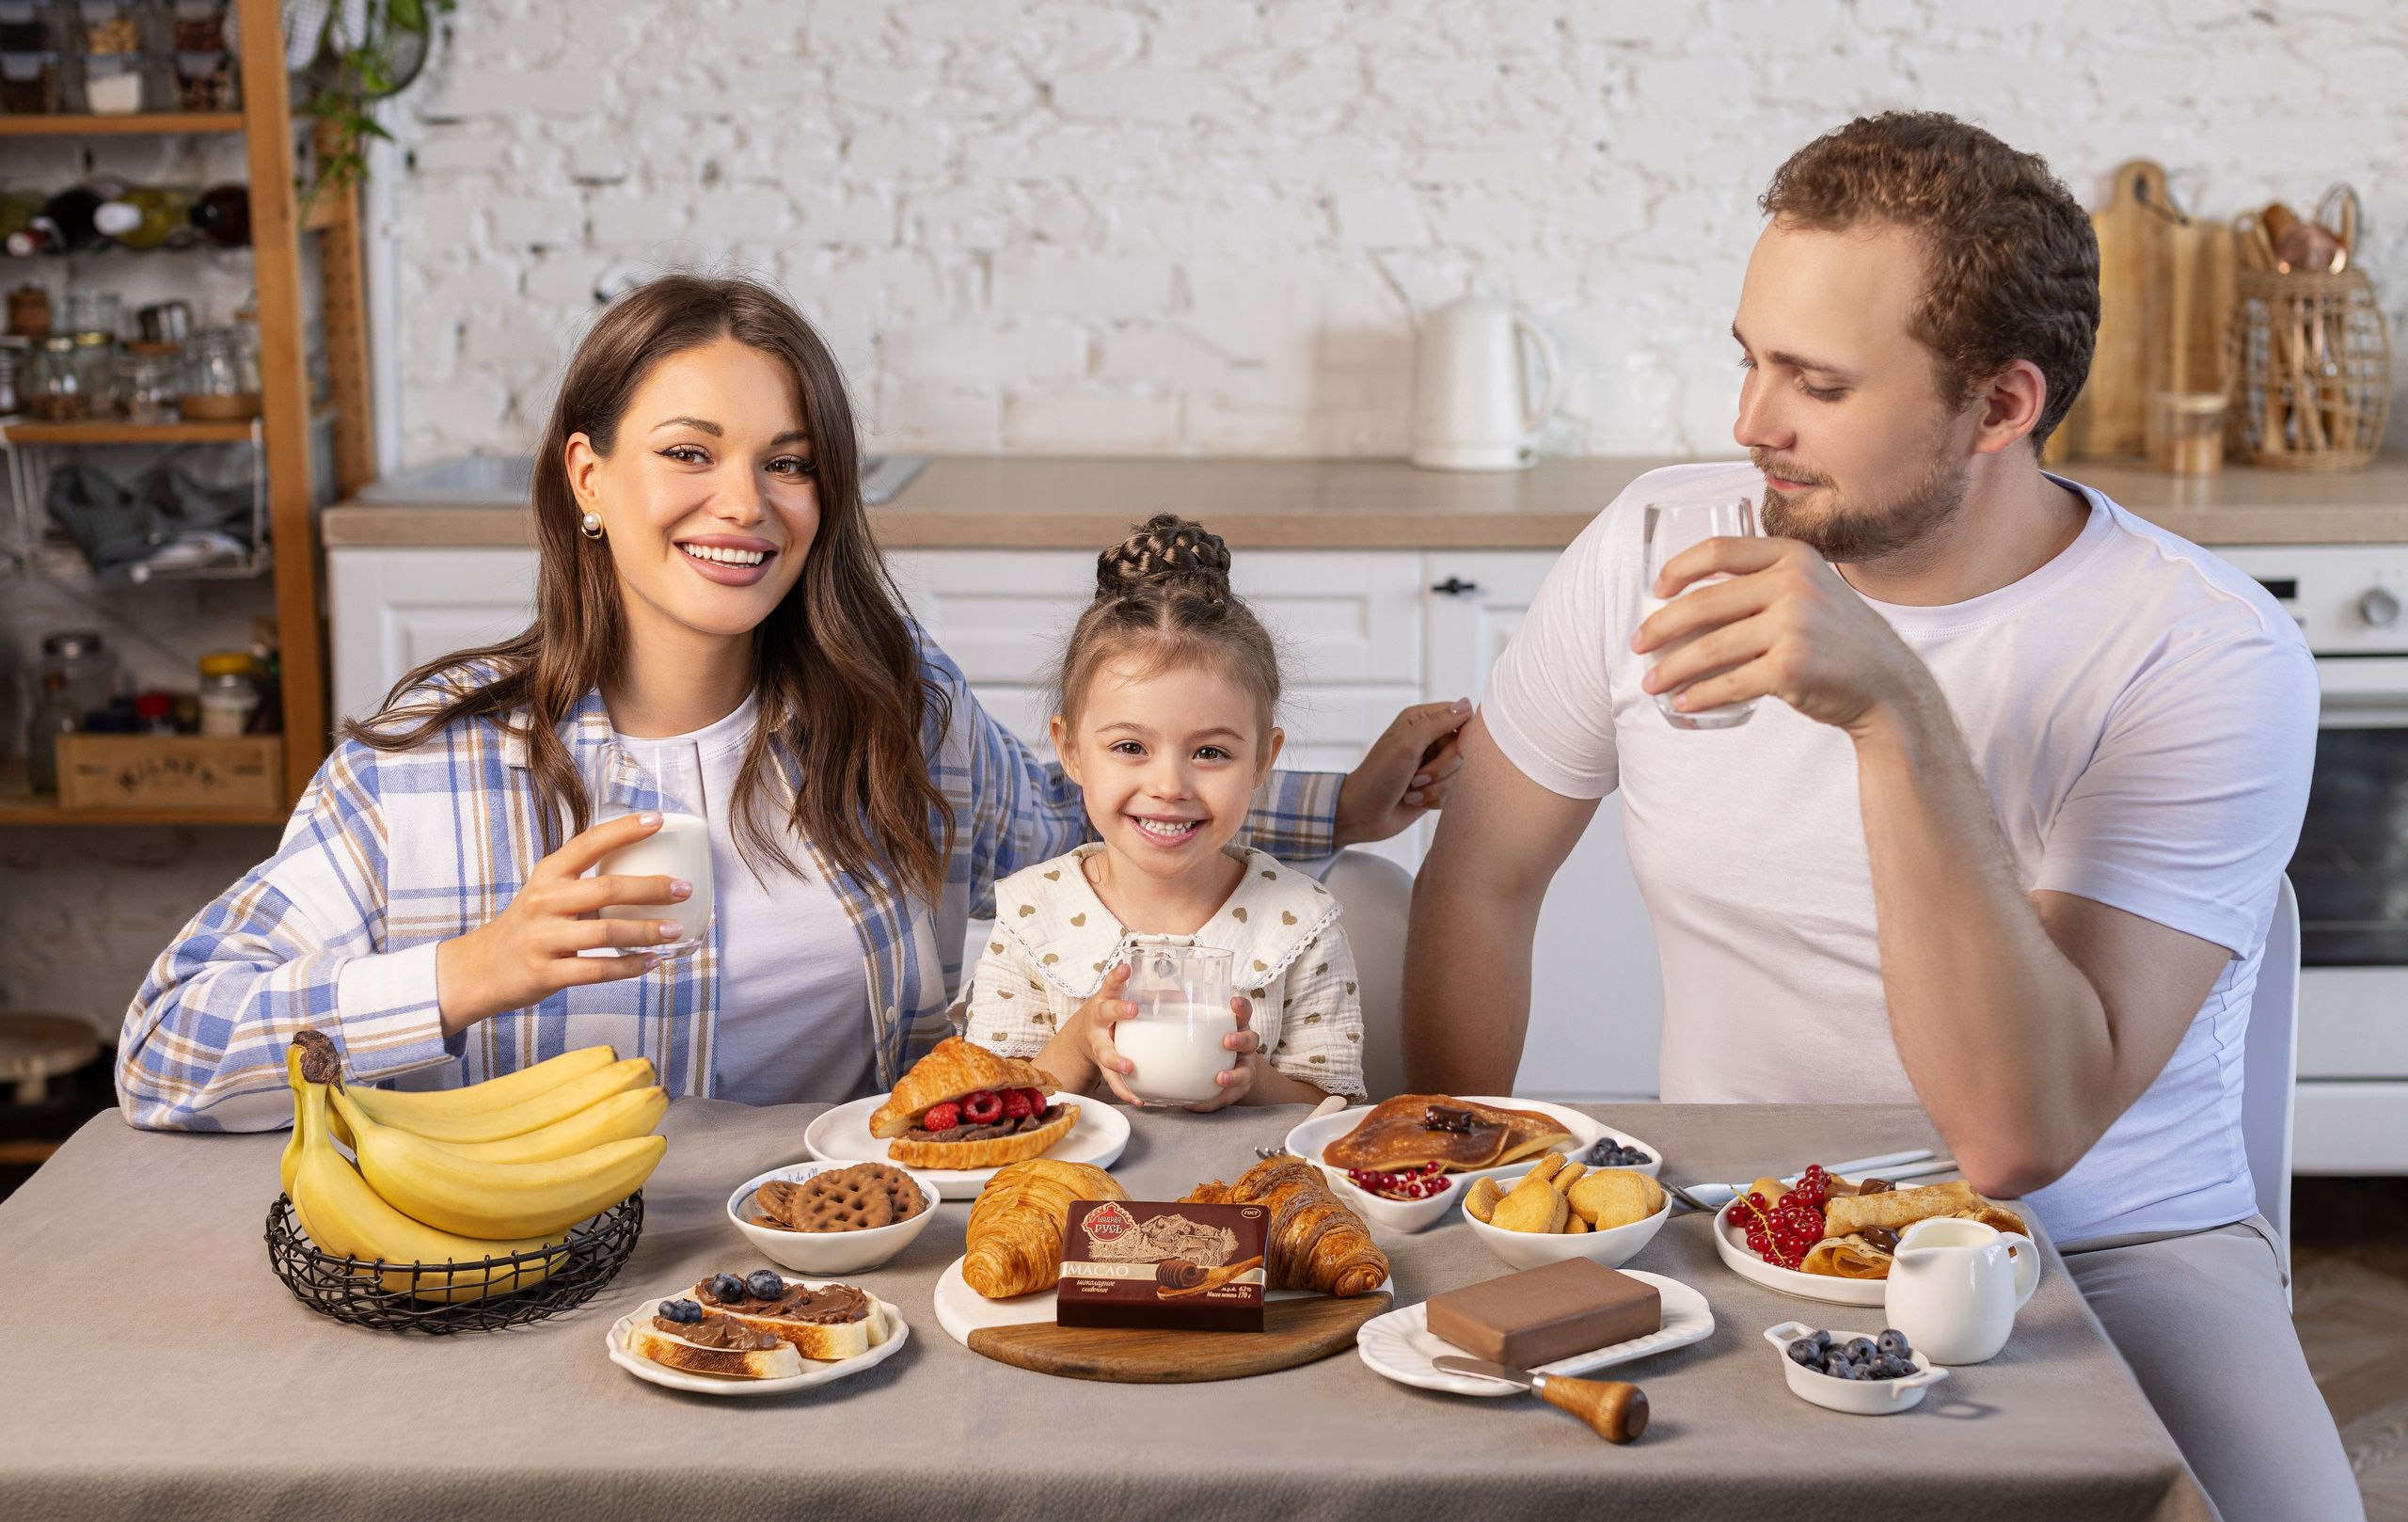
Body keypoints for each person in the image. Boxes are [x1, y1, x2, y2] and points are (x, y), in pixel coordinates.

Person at [1403, 114, 2358, 1520]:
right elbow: (1482, 872)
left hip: (2108, 1241)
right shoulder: (1655, 551)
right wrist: (1453, 1193)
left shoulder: (2203, 653)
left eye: (1818, 382)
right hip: (1736, 1220)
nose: (1750, 422)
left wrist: (1890, 709)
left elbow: (2023, 1133)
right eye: (1749, 355)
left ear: (2001, 404)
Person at [119, 275, 1465, 1130]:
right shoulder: (428, 769)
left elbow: (1096, 815)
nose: (742, 505)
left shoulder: (891, 715)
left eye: (787, 462)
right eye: (688, 454)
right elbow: (169, 1048)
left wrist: (1338, 804)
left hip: (846, 1270)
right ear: (587, 478)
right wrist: (476, 971)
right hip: (518, 1292)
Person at [965, 514, 1364, 1108]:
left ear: (1263, 759)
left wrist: (1254, 1081)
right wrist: (1079, 1044)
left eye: (1211, 752)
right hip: (1070, 1199)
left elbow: (1337, 1108)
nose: (1169, 785)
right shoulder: (1032, 916)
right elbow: (989, 1106)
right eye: (1131, 747)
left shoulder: (1299, 924)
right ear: (1070, 750)